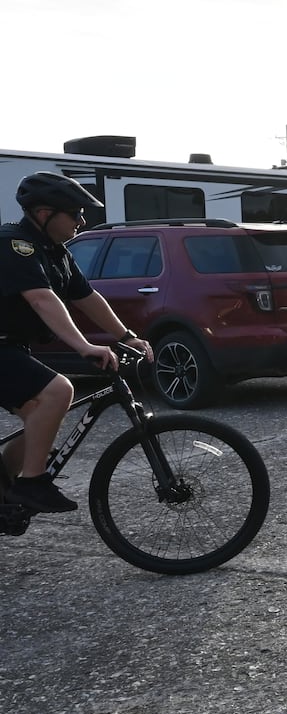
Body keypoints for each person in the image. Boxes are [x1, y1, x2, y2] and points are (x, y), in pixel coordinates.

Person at [1, 172, 154, 515]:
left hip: (11, 347)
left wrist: (126, 336)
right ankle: (31, 484)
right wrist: (84, 346)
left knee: (40, 418)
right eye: (75, 213)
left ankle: (6, 489)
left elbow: (87, 297)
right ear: (44, 214)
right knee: (59, 391)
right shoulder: (14, 245)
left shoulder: (56, 253)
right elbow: (42, 299)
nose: (82, 220)